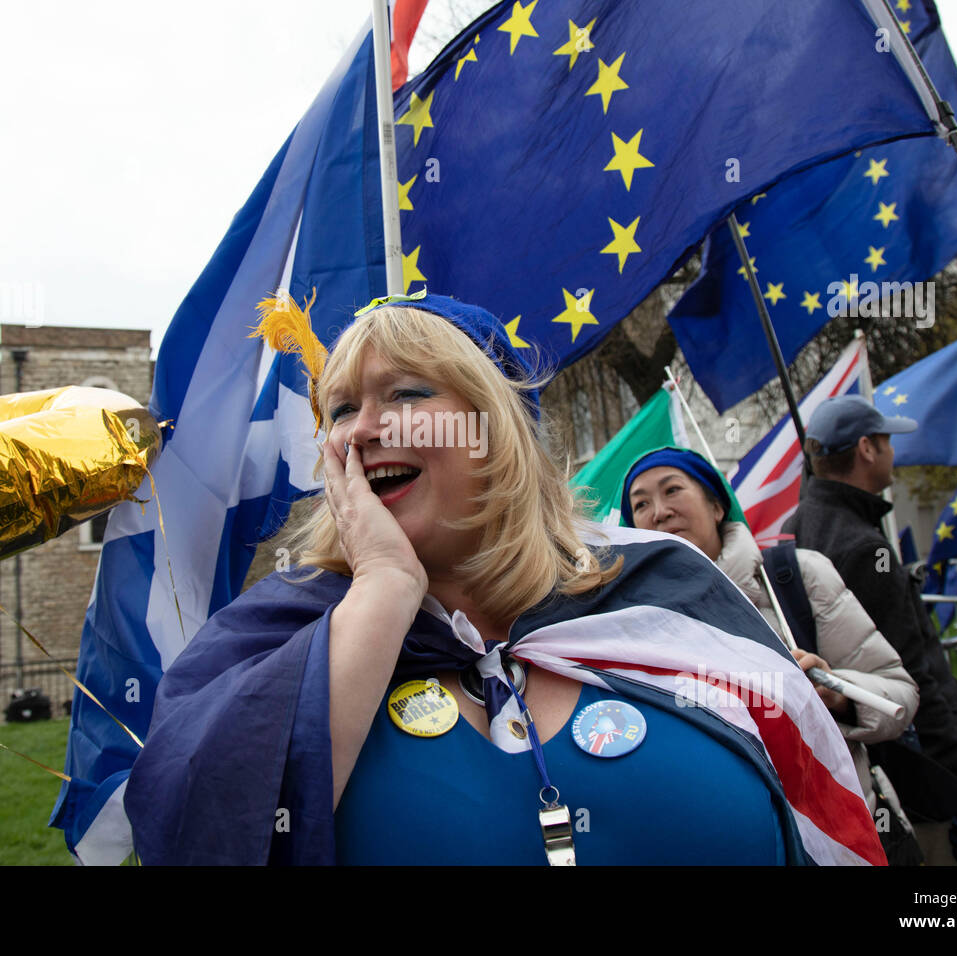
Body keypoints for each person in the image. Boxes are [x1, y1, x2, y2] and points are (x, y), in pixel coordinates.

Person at [123, 291, 885, 865]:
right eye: (342, 408)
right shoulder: (273, 637)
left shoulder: (671, 590)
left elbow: (817, 810)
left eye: (407, 394)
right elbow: (200, 831)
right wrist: (386, 588)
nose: (360, 428)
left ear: (495, 429)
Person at [622, 445, 919, 814]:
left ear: (717, 507)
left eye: (672, 490)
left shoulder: (800, 577)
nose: (660, 512)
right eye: (641, 505)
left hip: (834, 832)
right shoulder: (630, 628)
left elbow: (900, 699)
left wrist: (839, 697)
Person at [782, 394, 957, 866]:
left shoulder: (797, 526)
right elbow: (915, 685)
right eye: (887, 441)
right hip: (909, 779)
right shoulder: (863, 546)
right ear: (867, 448)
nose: (893, 453)